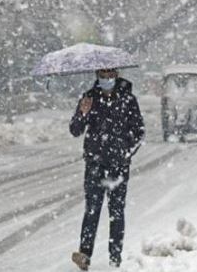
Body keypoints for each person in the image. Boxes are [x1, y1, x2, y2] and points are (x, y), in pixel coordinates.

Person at [69, 68, 145, 271]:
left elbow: (139, 131)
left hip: (118, 166)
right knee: (92, 210)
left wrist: (126, 153)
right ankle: (84, 254)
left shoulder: (128, 99)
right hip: (95, 164)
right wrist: (82, 114)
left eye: (110, 75)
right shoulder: (89, 98)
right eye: (103, 75)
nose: (107, 79)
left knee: (116, 212)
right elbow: (75, 130)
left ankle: (115, 258)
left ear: (117, 75)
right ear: (97, 76)